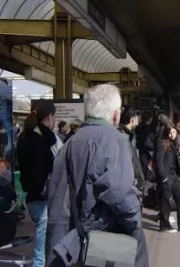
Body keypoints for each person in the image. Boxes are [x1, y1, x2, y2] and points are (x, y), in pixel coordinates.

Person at [45, 84, 149, 267]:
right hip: (103, 245)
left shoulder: (69, 143)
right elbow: (120, 194)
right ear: (116, 114)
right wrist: (134, 223)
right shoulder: (114, 140)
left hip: (69, 243)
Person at [16, 100, 60, 267]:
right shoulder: (43, 142)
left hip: (31, 198)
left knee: (41, 240)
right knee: (41, 248)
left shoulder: (24, 137)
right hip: (42, 198)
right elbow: (50, 167)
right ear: (49, 117)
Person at [155, 126, 180, 233]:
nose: (172, 135)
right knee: (166, 202)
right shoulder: (162, 143)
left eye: (173, 132)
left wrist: (179, 174)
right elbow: (158, 161)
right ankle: (164, 226)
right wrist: (164, 177)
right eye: (169, 133)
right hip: (166, 177)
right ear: (165, 133)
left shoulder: (174, 143)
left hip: (175, 176)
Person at [118, 105, 145, 190]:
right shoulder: (126, 136)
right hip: (127, 181)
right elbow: (133, 159)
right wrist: (140, 179)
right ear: (132, 119)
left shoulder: (119, 133)